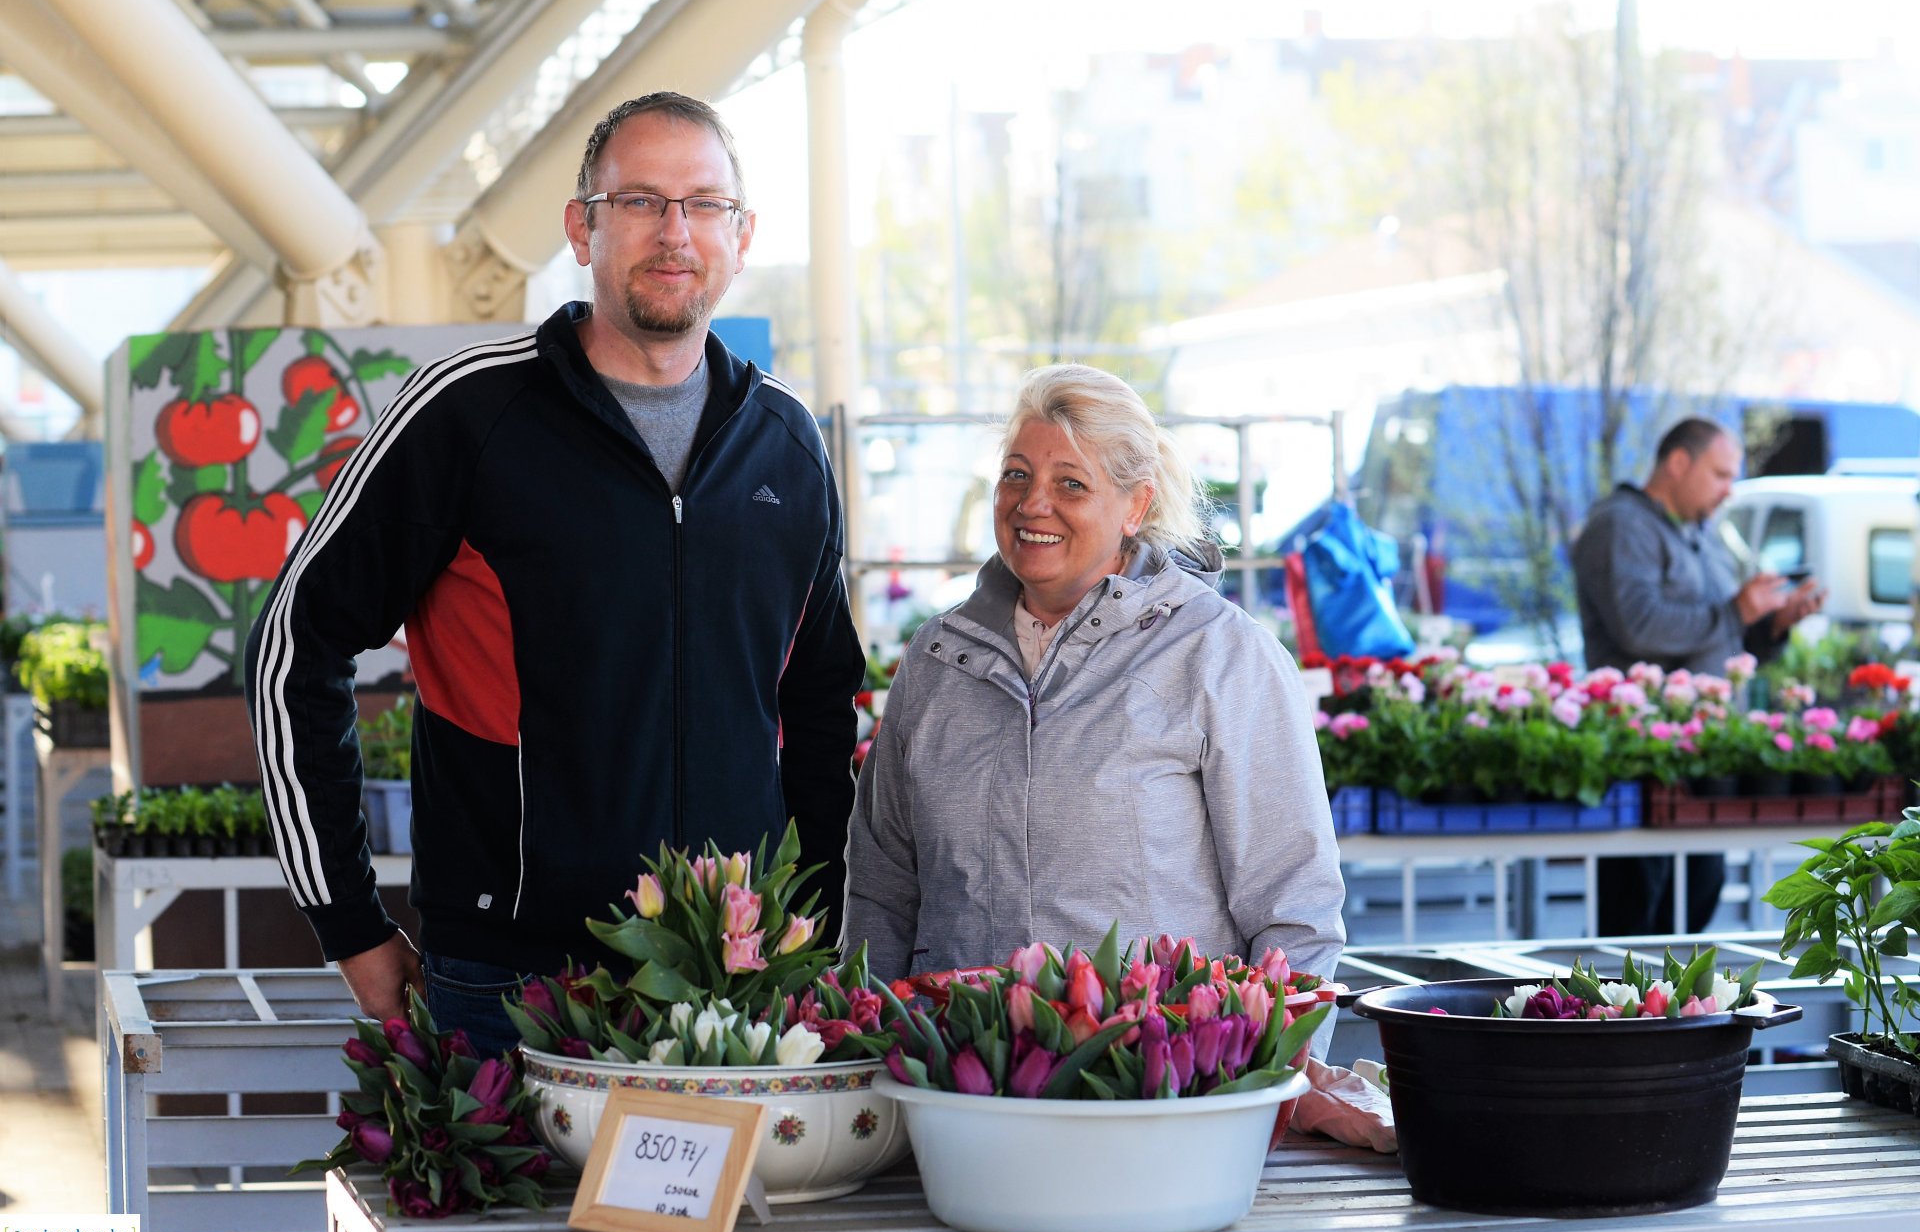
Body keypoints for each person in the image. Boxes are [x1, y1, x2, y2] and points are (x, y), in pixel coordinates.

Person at [245, 92, 863, 1055]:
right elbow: (294, 647)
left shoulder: (786, 443)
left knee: (733, 1218)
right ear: (582, 227)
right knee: (525, 1217)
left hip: (734, 978)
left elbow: (822, 707)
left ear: (741, 238)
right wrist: (349, 924)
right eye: (641, 202)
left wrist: (813, 929)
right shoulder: (468, 413)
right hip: (512, 980)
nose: (675, 233)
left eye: (705, 205)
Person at [843, 364, 1346, 989]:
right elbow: (883, 886)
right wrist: (869, 1047)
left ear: (1137, 505)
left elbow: (1295, 909)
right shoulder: (939, 658)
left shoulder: (1221, 654)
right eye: (1016, 475)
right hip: (953, 1067)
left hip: (1153, 1075)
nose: (1033, 503)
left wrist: (1274, 1078)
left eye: (1071, 484)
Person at [1572, 417, 1825, 935]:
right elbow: (1639, 625)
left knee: (1699, 892)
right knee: (1635, 915)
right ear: (1678, 462)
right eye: (1720, 475)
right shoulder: (1620, 524)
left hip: (1701, 756)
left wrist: (1770, 624)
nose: (1729, 491)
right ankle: (1619, 1016)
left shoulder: (1703, 535)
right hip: (1642, 756)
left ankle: (1670, 1012)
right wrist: (1736, 612)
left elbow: (1717, 636)